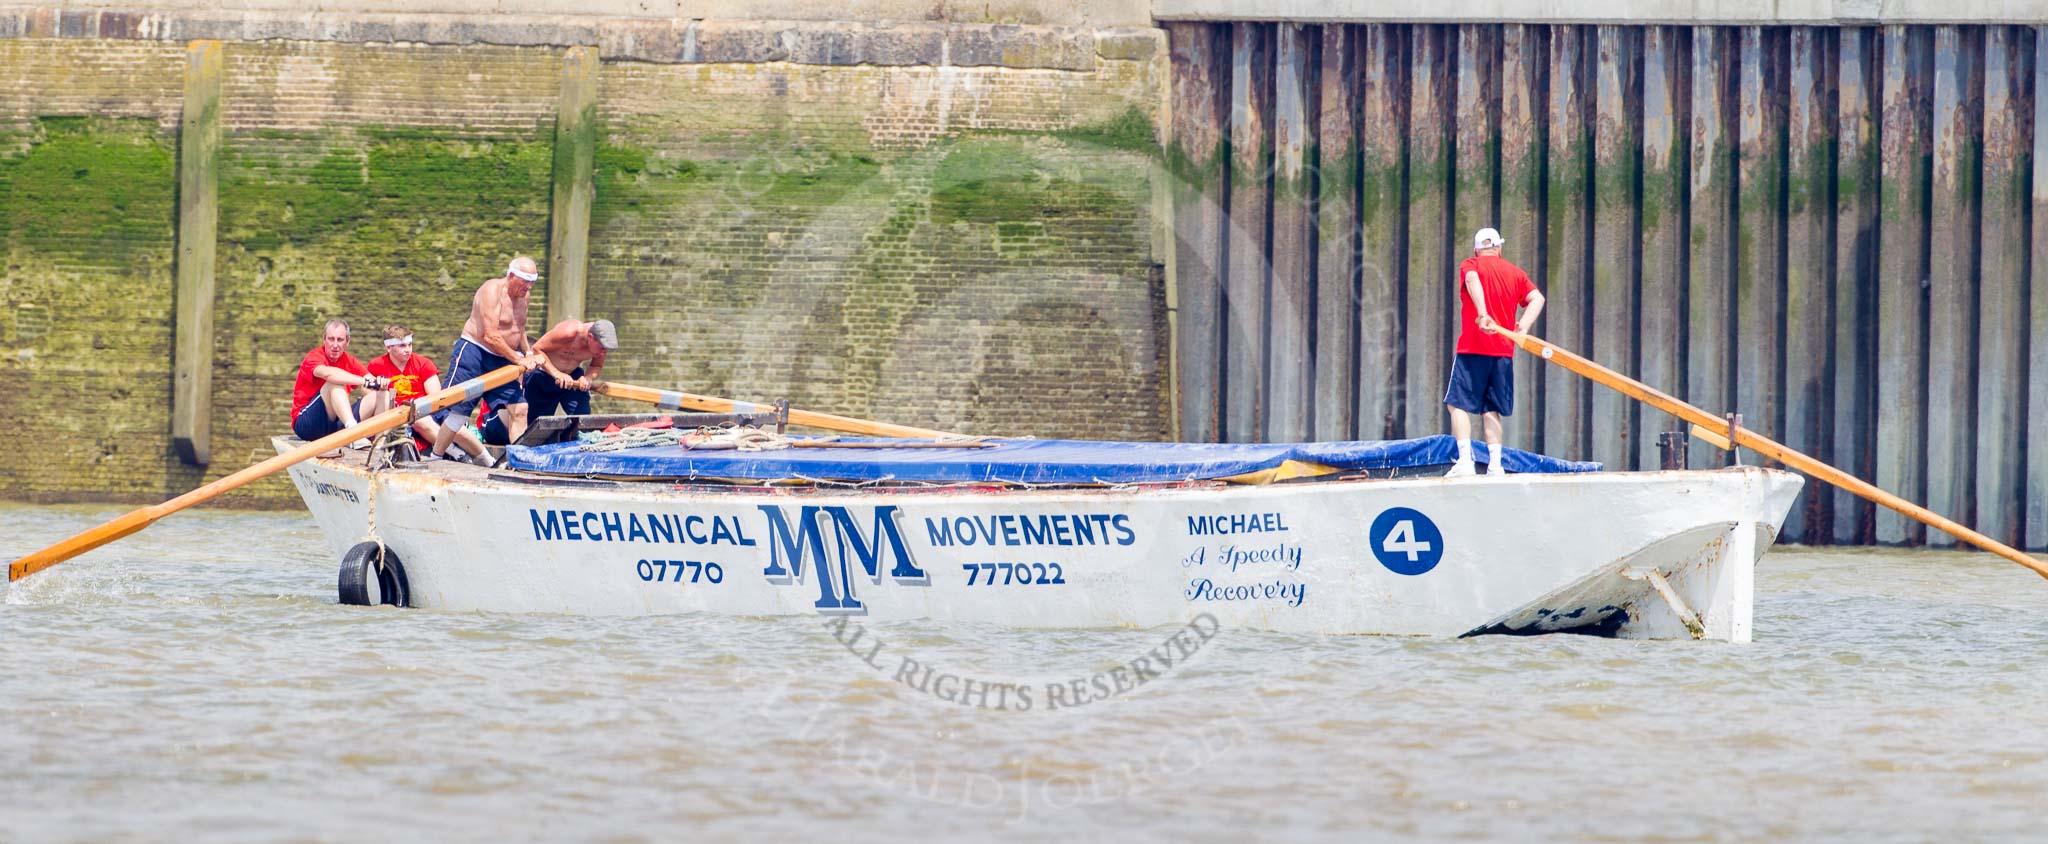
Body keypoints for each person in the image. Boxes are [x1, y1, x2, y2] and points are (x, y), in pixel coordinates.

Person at [1444, 227, 1545, 478]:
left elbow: (1471, 279)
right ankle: (1495, 466)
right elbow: (1537, 299)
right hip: (1503, 352)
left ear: (1476, 249)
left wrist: (1482, 312)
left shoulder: (1471, 264)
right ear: (1499, 248)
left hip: (1472, 349)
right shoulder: (1516, 273)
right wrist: (1523, 328)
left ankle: (1465, 461)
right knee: (1491, 409)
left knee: (1456, 404)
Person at [428, 256, 547, 461]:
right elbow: (490, 335)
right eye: (525, 281)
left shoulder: (524, 297)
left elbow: (519, 329)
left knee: (520, 409)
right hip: (475, 351)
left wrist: (527, 352)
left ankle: (519, 462)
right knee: (457, 413)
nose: (528, 287)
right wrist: (518, 361)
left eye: (532, 282)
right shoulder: (491, 290)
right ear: (511, 276)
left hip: (501, 358)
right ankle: (436, 456)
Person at [363, 324, 493, 465]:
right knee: (419, 421)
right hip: (400, 416)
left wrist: (419, 409)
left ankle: (489, 460)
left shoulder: (424, 364)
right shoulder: (376, 365)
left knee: (457, 428)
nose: (408, 350)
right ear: (388, 348)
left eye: (410, 345)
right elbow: (369, 395)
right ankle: (457, 453)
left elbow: (436, 397)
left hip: (426, 410)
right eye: (402, 346)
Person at [480, 318, 618, 446]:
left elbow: (596, 366)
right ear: (590, 337)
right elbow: (537, 349)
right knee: (532, 425)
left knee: (582, 418)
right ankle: (490, 428)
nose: (603, 352)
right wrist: (556, 373)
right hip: (543, 375)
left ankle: (581, 447)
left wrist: (587, 378)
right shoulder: (569, 332)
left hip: (572, 378)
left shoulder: (601, 347)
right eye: (601, 348)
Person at [290, 319, 384, 446]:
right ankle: (353, 434)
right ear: (324, 339)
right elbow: (328, 374)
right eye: (331, 339)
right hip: (307, 424)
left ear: (347, 342)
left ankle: (379, 445)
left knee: (381, 394)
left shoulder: (350, 361)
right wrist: (364, 381)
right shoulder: (314, 357)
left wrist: (381, 386)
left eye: (340, 340)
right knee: (333, 383)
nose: (335, 345)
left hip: (335, 424)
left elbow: (371, 384)